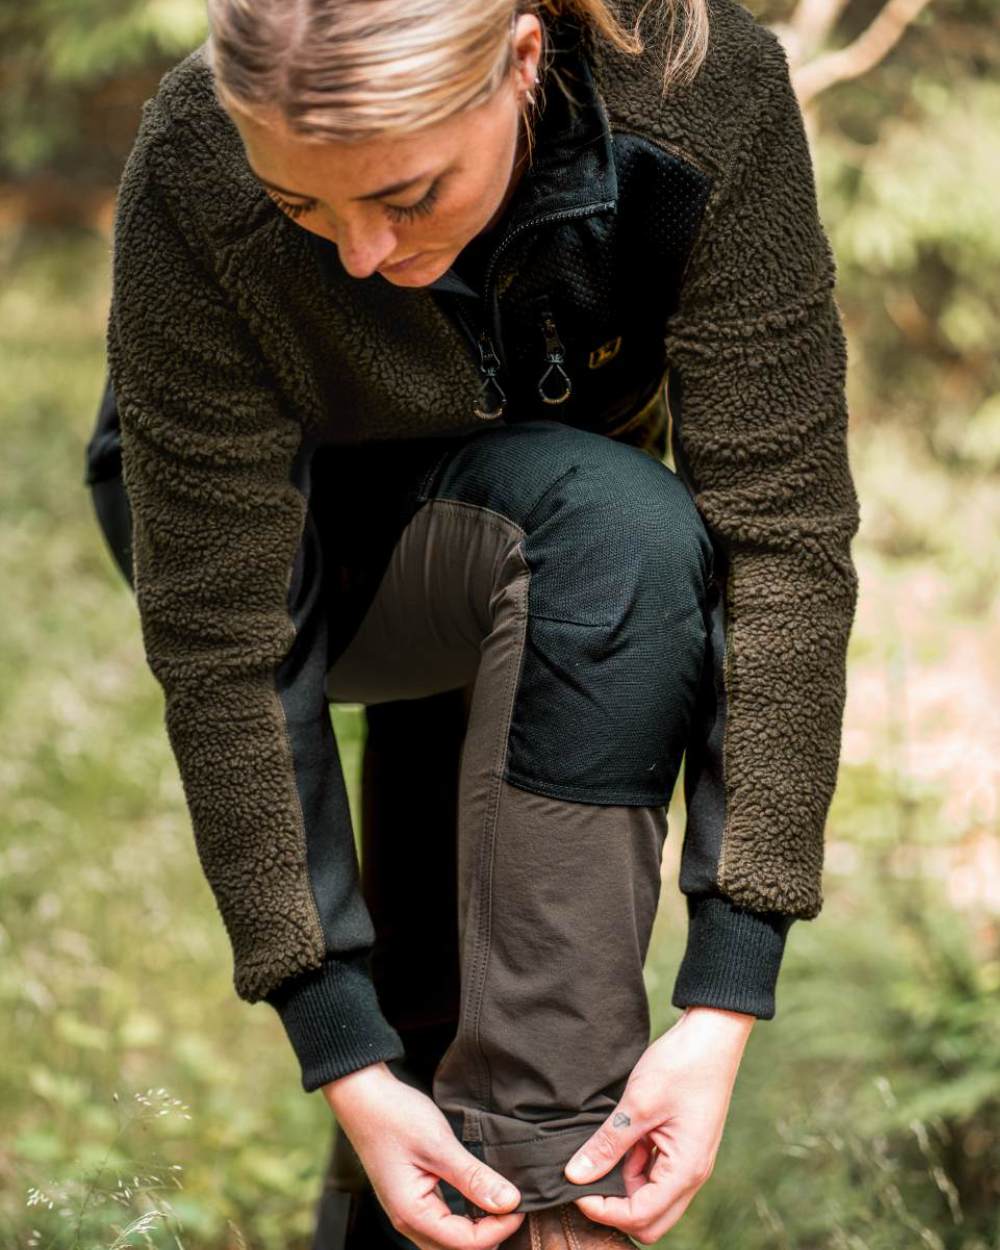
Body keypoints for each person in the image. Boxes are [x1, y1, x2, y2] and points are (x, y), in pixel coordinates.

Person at [83, 0, 861, 1246]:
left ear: (523, 60)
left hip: (548, 518)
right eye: (303, 208)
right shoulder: (195, 150)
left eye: (406, 192)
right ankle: (547, 1209)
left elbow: (783, 539)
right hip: (296, 536)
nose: (358, 252)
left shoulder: (702, 94)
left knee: (593, 546)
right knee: (595, 526)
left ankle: (493, 1194)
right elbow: (226, 648)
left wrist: (728, 986)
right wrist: (336, 1040)